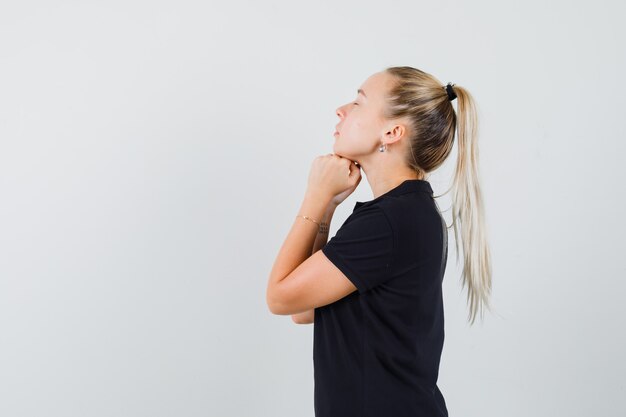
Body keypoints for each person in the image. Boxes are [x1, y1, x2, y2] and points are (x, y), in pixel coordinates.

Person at [266, 66, 492, 417]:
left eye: (358, 102)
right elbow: (303, 309)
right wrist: (327, 207)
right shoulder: (406, 212)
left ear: (392, 131)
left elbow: (280, 298)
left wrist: (314, 195)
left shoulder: (389, 222)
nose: (341, 110)